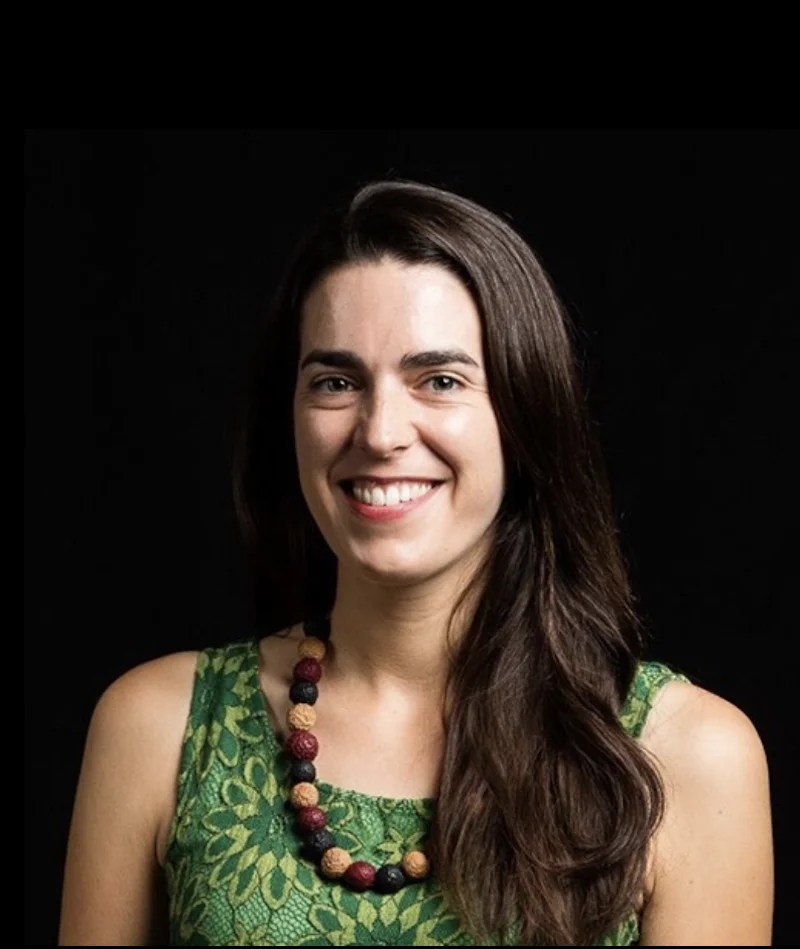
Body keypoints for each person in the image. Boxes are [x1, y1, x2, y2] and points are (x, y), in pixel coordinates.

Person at [58, 179, 774, 946]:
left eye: (440, 380)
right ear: (289, 421)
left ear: (525, 413)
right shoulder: (158, 727)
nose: (381, 430)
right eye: (336, 382)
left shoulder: (681, 755)